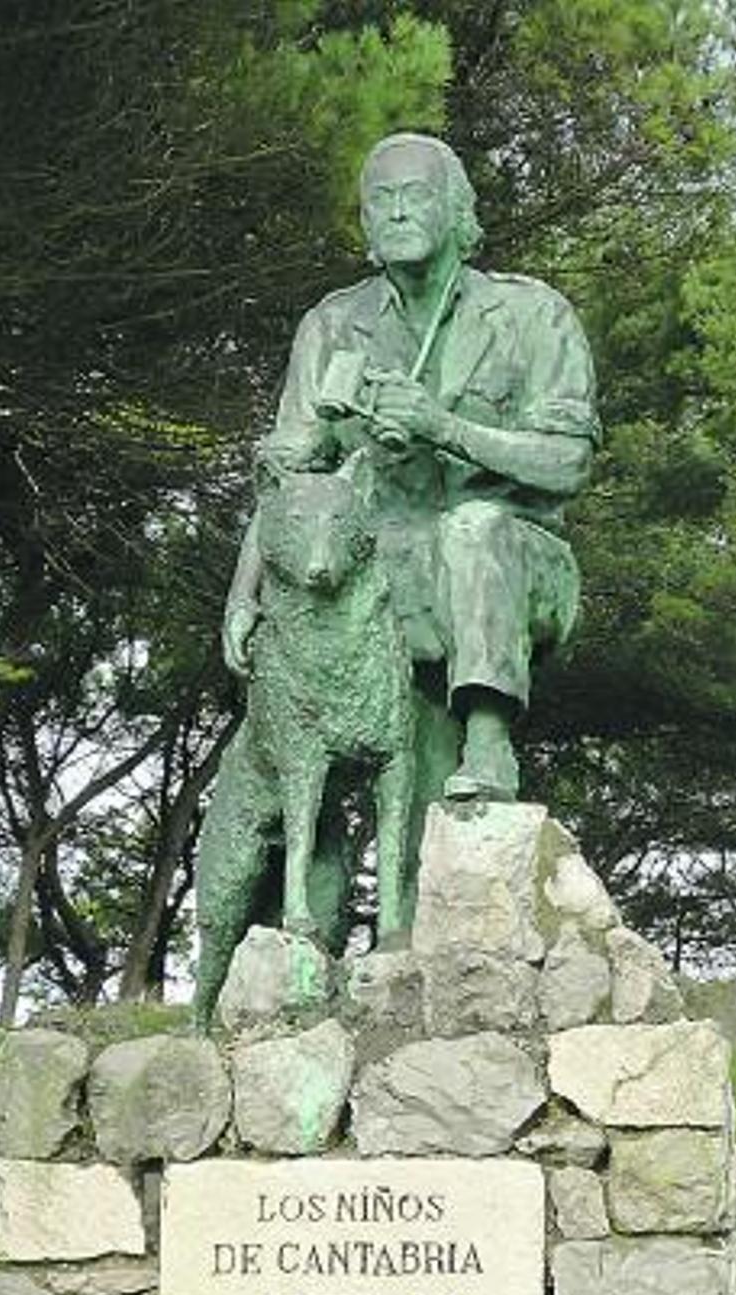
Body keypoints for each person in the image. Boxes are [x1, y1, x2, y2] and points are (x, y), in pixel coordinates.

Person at [223, 130, 598, 873]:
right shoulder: (333, 326)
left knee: (473, 526)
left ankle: (488, 738)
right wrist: (244, 593)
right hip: (388, 576)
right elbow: (288, 481)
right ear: (364, 224)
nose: (396, 213)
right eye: (379, 201)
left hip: (516, 564)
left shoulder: (529, 315)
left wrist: (444, 428)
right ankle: (315, 881)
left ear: (457, 209)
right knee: (329, 624)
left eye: (414, 195)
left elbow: (568, 461)